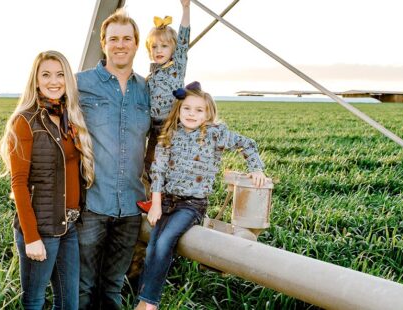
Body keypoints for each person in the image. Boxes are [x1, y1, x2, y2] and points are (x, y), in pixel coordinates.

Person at [135, 81, 270, 310]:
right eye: (187, 108)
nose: (192, 114)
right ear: (179, 110)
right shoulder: (170, 134)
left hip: (192, 204)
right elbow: (158, 171)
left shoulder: (214, 134)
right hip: (167, 201)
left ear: (208, 114)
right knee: (153, 246)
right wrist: (156, 204)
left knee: (166, 241)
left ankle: (149, 305)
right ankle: (144, 301)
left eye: (199, 110)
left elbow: (247, 144)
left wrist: (256, 168)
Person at [0, 50, 96, 310]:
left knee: (69, 304)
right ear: (36, 80)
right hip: (41, 229)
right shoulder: (25, 121)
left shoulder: (68, 118)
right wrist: (31, 237)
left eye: (60, 74)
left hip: (68, 227)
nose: (54, 81)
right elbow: (18, 183)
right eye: (46, 75)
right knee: (34, 301)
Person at [75, 8, 151, 310]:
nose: (121, 45)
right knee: (82, 286)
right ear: (104, 43)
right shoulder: (79, 83)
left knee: (113, 288)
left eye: (127, 39)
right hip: (93, 202)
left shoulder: (147, 90)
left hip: (131, 206)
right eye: (114, 39)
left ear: (136, 44)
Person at [144, 0, 191, 184]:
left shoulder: (177, 67)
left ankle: (172, 201)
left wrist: (186, 9)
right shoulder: (149, 78)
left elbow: (184, 39)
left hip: (173, 126)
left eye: (164, 46)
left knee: (172, 164)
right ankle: (155, 201)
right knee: (150, 163)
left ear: (173, 49)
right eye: (154, 47)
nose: (159, 50)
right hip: (154, 129)